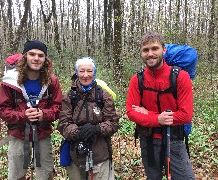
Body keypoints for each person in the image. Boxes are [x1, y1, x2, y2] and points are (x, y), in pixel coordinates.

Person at [126, 32, 195, 179]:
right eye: (145, 50)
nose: (150, 54)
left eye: (154, 48)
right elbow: (131, 112)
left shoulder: (180, 77)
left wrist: (149, 115)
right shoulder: (137, 79)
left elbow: (186, 115)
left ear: (164, 50)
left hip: (174, 140)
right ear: (141, 53)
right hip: (148, 141)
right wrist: (157, 119)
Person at [0, 40, 62, 180]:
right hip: (18, 134)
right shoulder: (10, 81)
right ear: (25, 56)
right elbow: (2, 108)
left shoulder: (52, 81)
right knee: (16, 175)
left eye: (40, 55)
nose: (36, 58)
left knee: (45, 174)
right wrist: (22, 115)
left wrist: (44, 114)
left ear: (45, 59)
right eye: (32, 54)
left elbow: (58, 107)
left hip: (43, 134)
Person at [58, 57, 120, 180]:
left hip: (100, 155)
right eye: (82, 71)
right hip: (76, 155)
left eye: (89, 71)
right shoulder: (70, 95)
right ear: (77, 72)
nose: (85, 75)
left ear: (94, 72)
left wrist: (97, 129)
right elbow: (63, 122)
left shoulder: (103, 95)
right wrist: (77, 133)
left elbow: (113, 122)